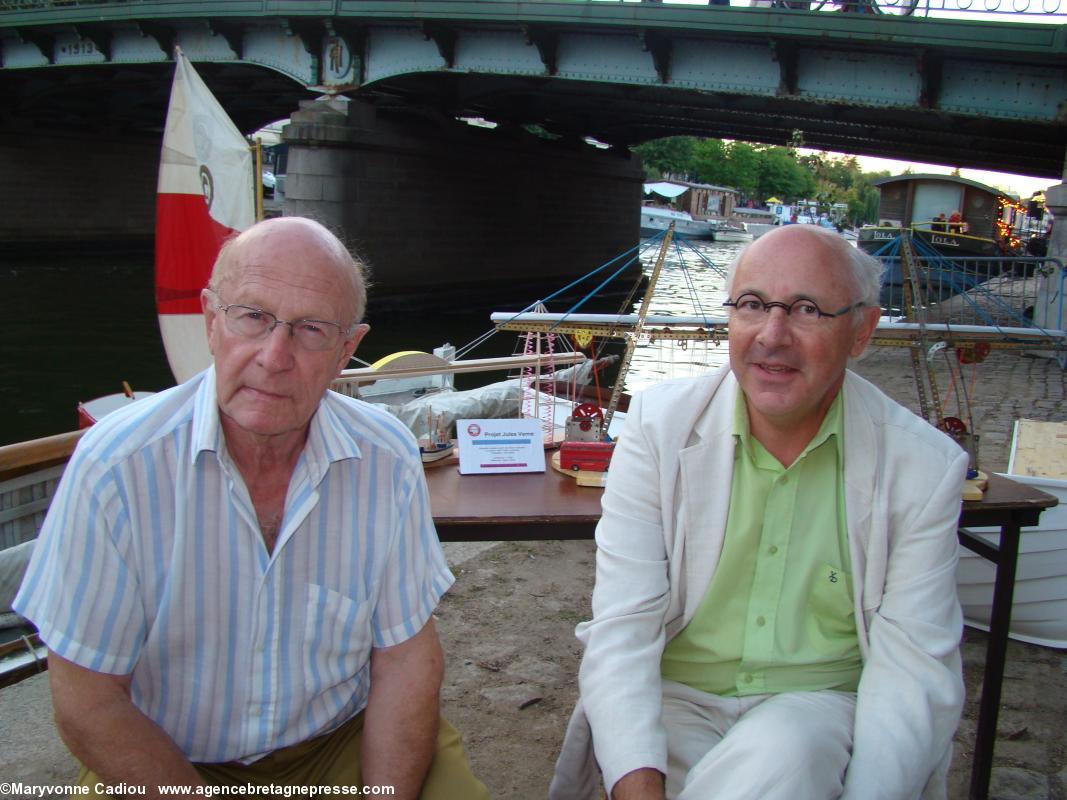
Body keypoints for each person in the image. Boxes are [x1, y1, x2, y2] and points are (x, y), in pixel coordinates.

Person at [14, 217, 487, 800]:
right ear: (211, 321)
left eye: (311, 329)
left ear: (347, 349)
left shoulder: (385, 457)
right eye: (253, 316)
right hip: (167, 757)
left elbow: (405, 659)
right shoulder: (115, 468)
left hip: (339, 741)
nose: (274, 356)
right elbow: (89, 702)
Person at [550, 224, 967, 800]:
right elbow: (623, 628)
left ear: (862, 331)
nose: (772, 335)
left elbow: (914, 672)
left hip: (820, 709)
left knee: (790, 750)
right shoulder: (657, 428)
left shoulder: (923, 466)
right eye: (751, 304)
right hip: (675, 703)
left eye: (807, 309)